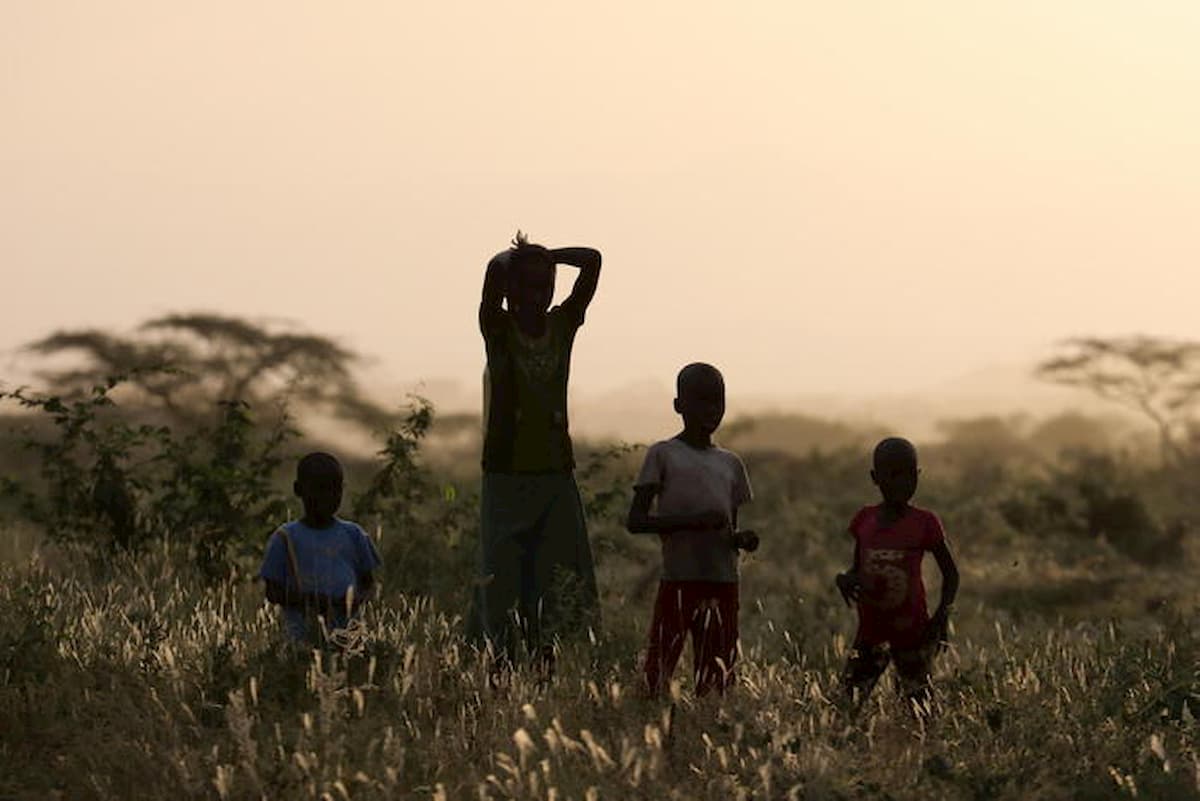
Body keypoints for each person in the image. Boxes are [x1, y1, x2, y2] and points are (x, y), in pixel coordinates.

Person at [470, 231, 602, 671]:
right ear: (509, 291)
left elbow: (593, 261)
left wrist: (548, 257)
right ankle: (500, 670)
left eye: (544, 285)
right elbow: (492, 273)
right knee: (502, 580)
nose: (537, 295)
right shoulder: (498, 330)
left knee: (558, 578)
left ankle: (549, 665)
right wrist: (518, 258)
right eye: (526, 285)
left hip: (554, 474)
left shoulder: (562, 326)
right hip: (506, 478)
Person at [626, 363, 757, 697]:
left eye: (717, 401)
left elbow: (731, 528)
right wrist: (692, 523)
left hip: (723, 581)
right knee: (658, 671)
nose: (711, 410)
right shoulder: (663, 455)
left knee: (716, 679)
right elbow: (636, 521)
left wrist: (740, 540)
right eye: (701, 401)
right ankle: (656, 728)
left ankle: (704, 735)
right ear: (678, 405)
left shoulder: (730, 464)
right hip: (679, 580)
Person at [835, 437, 959, 710]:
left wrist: (941, 617)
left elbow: (951, 574)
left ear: (918, 475)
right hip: (870, 633)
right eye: (893, 475)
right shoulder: (864, 521)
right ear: (875, 478)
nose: (902, 482)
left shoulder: (925, 523)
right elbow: (858, 567)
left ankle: (919, 752)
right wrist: (844, 579)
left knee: (920, 712)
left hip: (913, 633)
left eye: (909, 474)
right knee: (845, 707)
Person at [259, 452, 381, 644]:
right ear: (299, 490)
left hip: (348, 638)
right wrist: (310, 602)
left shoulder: (355, 535)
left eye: (335, 490)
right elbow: (272, 592)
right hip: (299, 639)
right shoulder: (285, 538)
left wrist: (348, 602)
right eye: (319, 489)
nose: (327, 497)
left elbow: (369, 585)